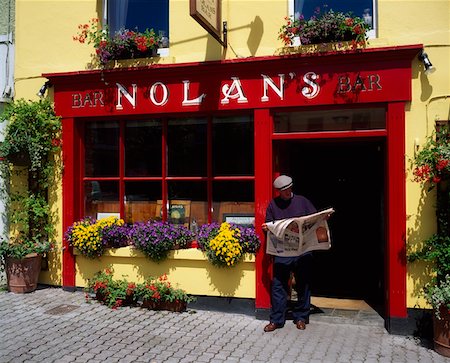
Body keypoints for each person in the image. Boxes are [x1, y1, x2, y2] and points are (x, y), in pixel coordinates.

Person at [262, 175, 316, 332]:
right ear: (278, 191)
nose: (286, 193)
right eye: (282, 191)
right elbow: (268, 223)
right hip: (282, 252)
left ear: (291, 188)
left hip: (302, 251)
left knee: (303, 284)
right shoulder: (273, 204)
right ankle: (277, 320)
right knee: (278, 286)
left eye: (288, 190)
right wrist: (267, 228)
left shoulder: (302, 201)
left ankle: (301, 317)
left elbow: (313, 220)